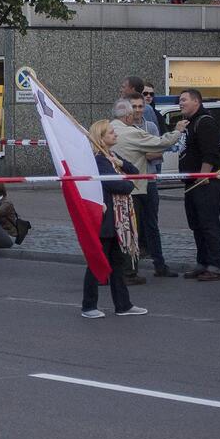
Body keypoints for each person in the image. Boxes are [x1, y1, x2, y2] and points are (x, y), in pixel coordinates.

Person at [110, 96, 188, 282]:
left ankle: (119, 269)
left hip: (117, 186)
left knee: (120, 229)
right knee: (131, 231)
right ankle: (129, 272)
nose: (137, 112)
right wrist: (177, 131)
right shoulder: (131, 132)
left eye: (140, 107)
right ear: (128, 115)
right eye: (134, 109)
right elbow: (161, 143)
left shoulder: (107, 128)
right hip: (135, 188)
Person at [81, 120, 148, 319]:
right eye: (111, 132)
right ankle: (88, 306)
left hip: (117, 221)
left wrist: (121, 164)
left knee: (117, 264)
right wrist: (127, 182)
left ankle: (123, 305)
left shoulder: (111, 156)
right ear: (101, 138)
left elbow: (134, 173)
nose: (115, 135)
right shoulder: (99, 160)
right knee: (96, 262)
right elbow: (119, 185)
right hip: (106, 218)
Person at [177, 89, 220, 281]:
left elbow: (211, 152)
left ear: (196, 101)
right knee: (196, 224)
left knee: (208, 223)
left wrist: (203, 174)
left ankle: (215, 266)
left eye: (184, 100)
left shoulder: (205, 122)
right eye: (180, 100)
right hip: (191, 181)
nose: (180, 103)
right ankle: (202, 262)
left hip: (206, 183)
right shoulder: (189, 124)